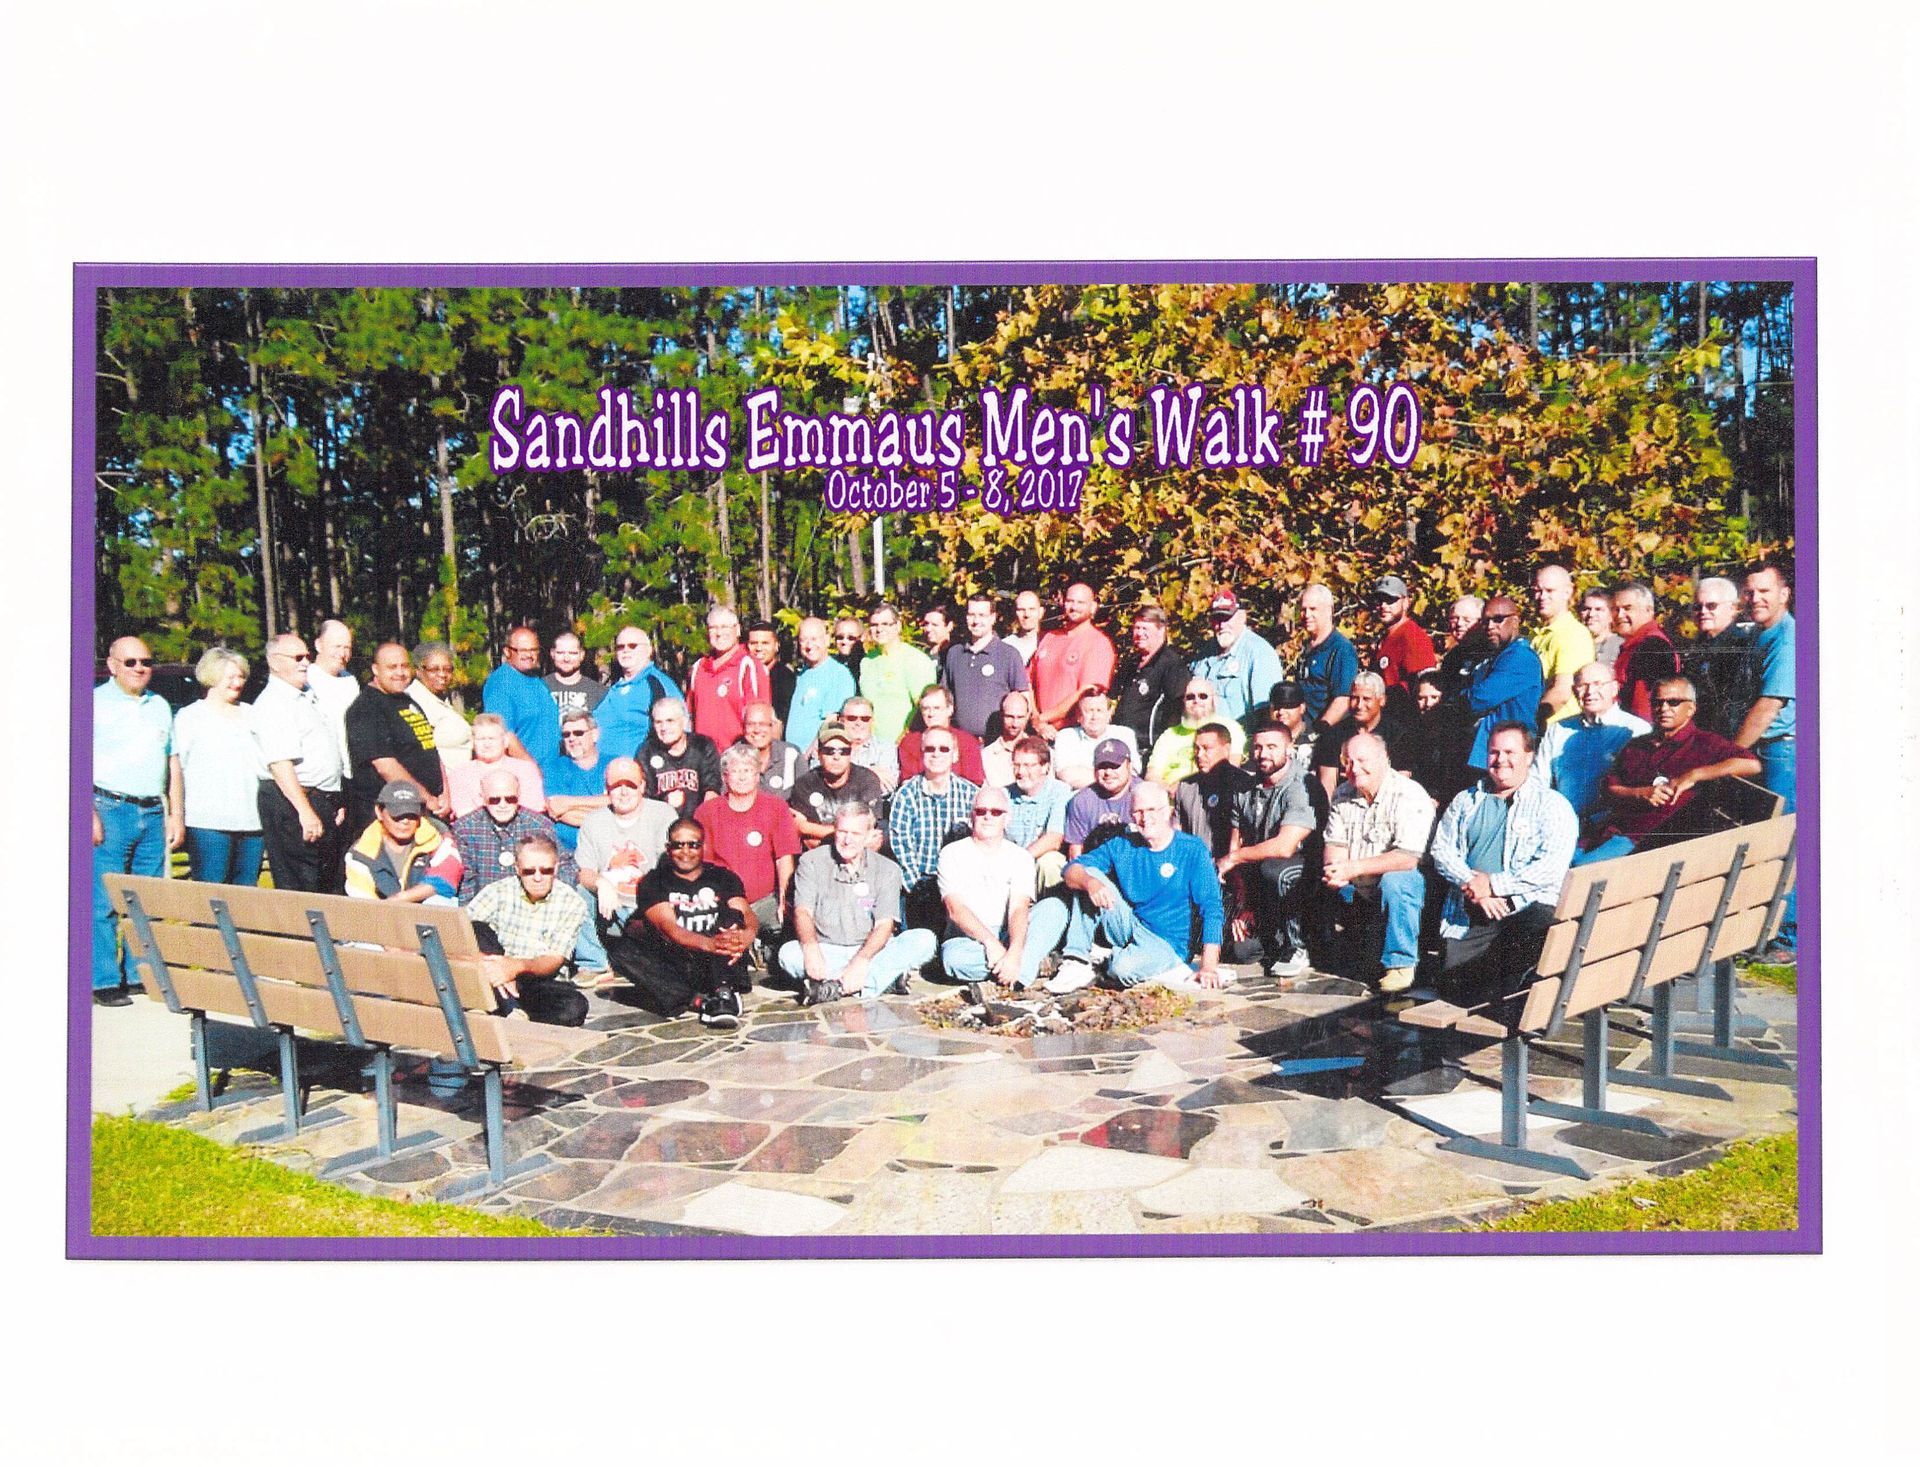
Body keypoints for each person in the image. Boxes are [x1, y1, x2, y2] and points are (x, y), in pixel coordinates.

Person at [1430, 722, 1579, 1008]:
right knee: (1455, 990)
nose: (1501, 760)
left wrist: (1496, 885)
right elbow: (1442, 850)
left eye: (1510, 752)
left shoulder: (1552, 805)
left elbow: (1551, 867)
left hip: (1526, 908)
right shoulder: (1466, 801)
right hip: (1473, 909)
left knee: (1510, 982)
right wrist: (1476, 887)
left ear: (1529, 756)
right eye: (1493, 752)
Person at [1053, 780, 1227, 994]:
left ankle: (1109, 958)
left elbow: (1211, 907)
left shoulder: (1191, 849)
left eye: (1152, 810)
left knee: (1121, 970)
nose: (1145, 818)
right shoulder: (1124, 844)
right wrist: (1090, 883)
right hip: (1131, 925)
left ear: (1168, 812)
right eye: (1138, 812)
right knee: (1088, 873)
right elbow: (1071, 869)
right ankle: (1076, 960)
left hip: (1167, 942)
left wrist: (1208, 966)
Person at [1575, 677, 1763, 864]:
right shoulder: (1637, 745)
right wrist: (1640, 793)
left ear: (1691, 708)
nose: (1664, 708)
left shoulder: (1704, 743)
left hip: (1648, 843)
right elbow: (1610, 788)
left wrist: (1694, 775)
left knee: (1578, 870)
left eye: (1673, 702)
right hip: (1609, 830)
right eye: (1657, 702)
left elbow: (1751, 764)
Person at [451, 766, 608, 980]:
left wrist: (546, 898)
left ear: (519, 796)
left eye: (510, 798)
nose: (504, 805)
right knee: (474, 929)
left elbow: (564, 866)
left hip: (536, 909)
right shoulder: (465, 828)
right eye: (495, 800)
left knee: (575, 900)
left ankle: (591, 964)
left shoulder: (538, 823)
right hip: (490, 913)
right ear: (483, 798)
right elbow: (467, 880)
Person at [91, 634, 182, 1005]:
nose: (140, 668)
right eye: (130, 662)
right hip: (109, 809)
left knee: (144, 901)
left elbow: (172, 763)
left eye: (145, 661)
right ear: (112, 665)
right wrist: (87, 814)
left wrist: (177, 813)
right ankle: (103, 980)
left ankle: (138, 973)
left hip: (153, 811)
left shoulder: (160, 705)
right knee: (103, 901)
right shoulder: (93, 704)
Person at [779, 804, 934, 1005]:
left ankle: (835, 987)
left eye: (855, 833)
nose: (847, 839)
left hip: (872, 950)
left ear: (869, 835)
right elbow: (803, 912)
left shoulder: (888, 869)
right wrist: (810, 948)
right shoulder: (811, 862)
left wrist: (861, 961)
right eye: (842, 831)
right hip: (826, 949)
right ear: (834, 830)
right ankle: (884, 980)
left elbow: (884, 925)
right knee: (788, 955)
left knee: (924, 940)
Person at [608, 819, 756, 1028]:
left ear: (703, 846)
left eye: (693, 844)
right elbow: (668, 928)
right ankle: (700, 1001)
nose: (685, 851)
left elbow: (746, 913)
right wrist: (710, 944)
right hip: (682, 960)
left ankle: (723, 992)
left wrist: (744, 938)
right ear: (668, 848)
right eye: (678, 845)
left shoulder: (723, 877)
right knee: (621, 949)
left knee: (731, 917)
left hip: (723, 960)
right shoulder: (653, 881)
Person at [1320, 731, 1433, 993]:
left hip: (1403, 884)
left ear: (1385, 759)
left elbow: (1407, 858)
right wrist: (1336, 870)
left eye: (1362, 760)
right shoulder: (1342, 793)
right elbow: (1335, 844)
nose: (1354, 768)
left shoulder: (1409, 795)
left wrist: (1352, 868)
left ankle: (1401, 963)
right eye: (1348, 762)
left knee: (1398, 881)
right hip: (1359, 886)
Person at [939, 785, 1072, 991]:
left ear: (1007, 818)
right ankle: (1027, 968)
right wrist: (990, 943)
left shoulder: (1021, 857)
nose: (987, 817)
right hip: (969, 939)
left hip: (1009, 932)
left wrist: (1015, 951)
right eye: (981, 811)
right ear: (971, 816)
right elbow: (955, 910)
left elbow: (1019, 908)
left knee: (1055, 908)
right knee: (954, 961)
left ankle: (1016, 968)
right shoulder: (951, 853)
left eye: (996, 812)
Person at [252, 632, 350, 896]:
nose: (306, 662)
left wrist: (334, 800)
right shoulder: (274, 703)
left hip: (320, 800)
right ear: (274, 662)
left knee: (326, 880)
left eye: (307, 656)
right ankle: (305, 938)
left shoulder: (306, 696)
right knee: (302, 885)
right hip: (293, 803)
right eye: (297, 657)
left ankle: (327, 937)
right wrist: (305, 812)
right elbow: (280, 764)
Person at [1732, 561, 1797, 954]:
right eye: (1750, 591)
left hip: (1781, 751)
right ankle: (1766, 931)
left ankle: (1789, 939)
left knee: (1785, 844)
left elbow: (1768, 705)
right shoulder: (1761, 635)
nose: (1755, 598)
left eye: (1765, 591)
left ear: (1784, 593)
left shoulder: (1786, 639)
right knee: (1765, 845)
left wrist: (1732, 755)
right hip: (1765, 752)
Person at [463, 831, 591, 1026]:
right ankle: (510, 1007)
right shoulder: (498, 891)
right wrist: (491, 965)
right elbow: (460, 931)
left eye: (545, 870)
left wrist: (515, 967)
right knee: (476, 928)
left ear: (556, 869)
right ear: (517, 869)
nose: (537, 878)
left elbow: (554, 959)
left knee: (574, 1007)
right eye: (529, 871)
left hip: (534, 976)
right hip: (493, 966)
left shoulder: (571, 902)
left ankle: (501, 1005)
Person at [1220, 722, 1316, 977]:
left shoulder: (1301, 786)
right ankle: (1273, 939)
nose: (1263, 754)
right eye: (1258, 747)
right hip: (1261, 876)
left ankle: (1299, 946)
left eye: (1272, 747)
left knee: (1275, 869)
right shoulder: (1245, 789)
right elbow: (1235, 845)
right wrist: (1243, 903)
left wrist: (1234, 857)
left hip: (1304, 874)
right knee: (1242, 952)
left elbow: (1285, 846)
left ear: (1289, 748)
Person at [171, 646, 265, 886]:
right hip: (208, 825)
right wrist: (177, 815)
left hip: (252, 823)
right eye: (230, 676)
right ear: (211, 676)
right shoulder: (189, 717)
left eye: (241, 676)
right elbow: (177, 771)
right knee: (212, 898)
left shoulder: (254, 714)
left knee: (246, 898)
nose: (237, 682)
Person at [696, 744, 803, 948]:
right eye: (735, 771)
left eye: (747, 771)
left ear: (757, 775)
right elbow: (704, 867)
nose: (742, 777)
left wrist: (783, 902)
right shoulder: (707, 812)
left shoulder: (777, 807)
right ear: (725, 776)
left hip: (766, 901)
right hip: (725, 903)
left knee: (782, 941)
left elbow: (784, 859)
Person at [344, 641, 447, 831]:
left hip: (426, 807)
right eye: (392, 667)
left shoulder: (406, 700)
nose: (400, 673)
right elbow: (386, 766)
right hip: (393, 814)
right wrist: (427, 799)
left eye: (404, 666)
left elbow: (429, 747)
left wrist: (444, 794)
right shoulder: (366, 708)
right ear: (375, 669)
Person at [887, 728, 981, 929]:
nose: (936, 754)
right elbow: (901, 844)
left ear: (955, 755)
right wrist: (916, 887)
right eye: (930, 749)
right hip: (920, 882)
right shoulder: (906, 795)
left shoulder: (971, 795)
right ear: (922, 754)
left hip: (961, 883)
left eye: (943, 749)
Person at [1536, 662, 1650, 824]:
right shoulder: (1558, 730)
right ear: (1575, 692)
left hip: (1611, 826)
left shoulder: (1635, 730)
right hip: (1561, 824)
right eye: (1583, 686)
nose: (1590, 692)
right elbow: (1538, 779)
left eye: (1598, 684)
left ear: (1614, 688)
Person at [575, 757, 676, 930]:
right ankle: (595, 958)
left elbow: (671, 866)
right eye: (616, 786)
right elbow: (585, 872)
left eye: (630, 785)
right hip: (610, 904)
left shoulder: (663, 814)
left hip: (652, 903)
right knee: (580, 894)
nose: (624, 792)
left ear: (642, 786)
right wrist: (601, 883)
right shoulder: (593, 821)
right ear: (606, 790)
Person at [344, 781, 464, 903]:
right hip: (380, 916)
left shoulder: (439, 839)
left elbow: (447, 878)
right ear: (379, 812)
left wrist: (401, 899)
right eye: (397, 815)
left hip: (424, 914)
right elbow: (361, 901)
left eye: (412, 815)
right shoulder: (360, 853)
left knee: (440, 901)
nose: (405, 821)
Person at [1463, 596, 1544, 769]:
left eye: (1498, 619)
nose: (1490, 626)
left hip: (1508, 755)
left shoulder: (1520, 657)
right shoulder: (1497, 656)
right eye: (1485, 621)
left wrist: (1455, 698)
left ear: (1515, 621)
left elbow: (1477, 699)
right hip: (1487, 750)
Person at [1029, 581, 1116, 737]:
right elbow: (1028, 682)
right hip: (1038, 731)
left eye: (1080, 602)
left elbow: (1086, 695)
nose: (1074, 607)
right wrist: (1035, 719)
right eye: (1070, 601)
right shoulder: (1050, 637)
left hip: (1072, 735)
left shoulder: (1098, 644)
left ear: (1093, 607)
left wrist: (1042, 719)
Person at [941, 592, 1032, 740]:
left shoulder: (1009, 655)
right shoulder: (954, 653)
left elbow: (1023, 701)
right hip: (960, 743)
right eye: (971, 615)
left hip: (996, 743)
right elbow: (945, 699)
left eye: (982, 615)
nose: (976, 621)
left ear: (993, 618)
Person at [1311, 671, 1409, 805]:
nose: (1359, 705)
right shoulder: (1334, 735)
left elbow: (1401, 783)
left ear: (1382, 700)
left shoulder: (1398, 735)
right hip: (1343, 803)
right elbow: (1327, 787)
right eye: (1354, 698)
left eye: (1366, 699)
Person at [788, 719, 889, 849]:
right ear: (818, 753)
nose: (836, 757)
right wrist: (855, 838)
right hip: (819, 860)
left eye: (843, 751)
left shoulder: (867, 780)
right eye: (829, 751)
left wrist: (809, 828)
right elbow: (809, 842)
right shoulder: (805, 784)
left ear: (851, 753)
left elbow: (869, 834)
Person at [1192, 585, 1283, 725]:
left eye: (1227, 618)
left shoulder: (1260, 653)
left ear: (1242, 617)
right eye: (1217, 619)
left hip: (1241, 742)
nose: (1221, 625)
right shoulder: (1204, 653)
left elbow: (1266, 713)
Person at [857, 602, 939, 746]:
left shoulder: (915, 660)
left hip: (902, 745)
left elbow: (923, 709)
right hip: (870, 746)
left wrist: (904, 742)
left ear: (898, 626)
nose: (879, 629)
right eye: (874, 625)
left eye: (885, 624)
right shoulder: (867, 661)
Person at [596, 626, 683, 760]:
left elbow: (679, 732)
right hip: (603, 773)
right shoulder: (615, 688)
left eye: (632, 646)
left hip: (637, 773)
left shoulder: (657, 685)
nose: (626, 650)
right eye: (620, 647)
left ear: (649, 650)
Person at [1686, 576, 1757, 738]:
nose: (1703, 612)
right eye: (1698, 607)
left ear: (1733, 608)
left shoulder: (1741, 647)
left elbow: (1734, 706)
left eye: (1711, 606)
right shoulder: (1698, 647)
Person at [1113, 603, 1190, 752]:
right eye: (1137, 628)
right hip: (1123, 745)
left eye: (1145, 628)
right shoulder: (1131, 663)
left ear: (1161, 631)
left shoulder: (1172, 665)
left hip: (1148, 748)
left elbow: (1176, 710)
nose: (1139, 633)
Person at [481, 625, 562, 767]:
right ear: (507, 651)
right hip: (524, 776)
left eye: (534, 650)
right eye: (522, 650)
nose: (529, 655)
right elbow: (505, 736)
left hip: (551, 773)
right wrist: (532, 772)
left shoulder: (535, 679)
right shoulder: (502, 683)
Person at [1172, 723, 1256, 857]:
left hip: (1230, 867)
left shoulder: (1243, 785)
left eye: (1206, 748)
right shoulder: (1186, 786)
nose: (1199, 755)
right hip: (1193, 863)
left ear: (1226, 749)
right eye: (1196, 748)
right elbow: (1177, 830)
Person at [1528, 563, 1597, 725]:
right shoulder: (1536, 635)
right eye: (1538, 591)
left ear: (1567, 592)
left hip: (1557, 730)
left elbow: (1562, 692)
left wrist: (1527, 723)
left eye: (1550, 591)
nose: (1542, 597)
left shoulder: (1572, 634)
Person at [688, 604, 764, 750]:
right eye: (713, 628)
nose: (719, 633)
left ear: (737, 630)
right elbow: (689, 715)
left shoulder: (748, 666)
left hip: (738, 759)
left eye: (724, 627)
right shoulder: (699, 668)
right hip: (704, 760)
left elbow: (761, 719)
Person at [444, 711, 546, 820]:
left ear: (505, 741)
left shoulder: (526, 770)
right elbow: (463, 813)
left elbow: (534, 809)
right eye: (481, 739)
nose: (487, 744)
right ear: (473, 742)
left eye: (492, 739)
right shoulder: (460, 774)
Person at [1146, 677, 1246, 785]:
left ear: (1214, 700)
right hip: (1168, 796)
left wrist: (1188, 790)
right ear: (1183, 701)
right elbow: (1152, 775)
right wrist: (1173, 791)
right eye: (1190, 697)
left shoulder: (1230, 728)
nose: (1196, 701)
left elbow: (1232, 767)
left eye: (1203, 696)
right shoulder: (1169, 735)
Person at [1006, 735, 1072, 892]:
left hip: (1038, 866)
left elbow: (1054, 839)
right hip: (1008, 868)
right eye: (1017, 765)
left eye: (1028, 766)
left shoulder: (1059, 791)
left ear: (1045, 767)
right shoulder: (1004, 795)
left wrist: (1019, 860)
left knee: (1050, 862)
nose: (1021, 772)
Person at [542, 709, 614, 852]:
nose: (572, 738)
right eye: (566, 734)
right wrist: (606, 808)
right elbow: (557, 809)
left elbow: (621, 802)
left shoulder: (614, 764)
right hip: (566, 850)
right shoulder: (552, 767)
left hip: (609, 848)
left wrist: (569, 802)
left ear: (594, 734)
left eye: (579, 733)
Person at [787, 616, 859, 757]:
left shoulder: (838, 674)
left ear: (827, 640)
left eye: (814, 639)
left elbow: (831, 723)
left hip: (814, 758)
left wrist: (807, 757)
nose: (809, 645)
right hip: (793, 756)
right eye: (803, 640)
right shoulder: (803, 673)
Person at [1611, 581, 1682, 722]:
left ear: (1649, 610)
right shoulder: (1635, 644)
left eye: (1627, 608)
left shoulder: (1651, 646)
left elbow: (1644, 706)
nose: (1620, 615)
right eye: (1615, 609)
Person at [1366, 575, 1438, 712]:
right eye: (1379, 601)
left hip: (1402, 719)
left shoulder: (1413, 636)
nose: (1383, 606)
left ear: (1405, 603)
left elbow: (1423, 686)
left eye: (1390, 600)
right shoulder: (1386, 637)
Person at [638, 697, 721, 814]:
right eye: (658, 722)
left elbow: (712, 789)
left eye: (670, 721)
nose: (664, 728)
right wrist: (665, 803)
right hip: (661, 820)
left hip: (697, 822)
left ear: (684, 721)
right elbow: (645, 797)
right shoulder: (647, 752)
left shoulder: (702, 746)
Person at [1295, 583, 1359, 731]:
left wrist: (1320, 730)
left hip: (1324, 734)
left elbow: (1343, 699)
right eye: (1303, 610)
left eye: (1313, 609)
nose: (1307, 615)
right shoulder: (1306, 647)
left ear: (1329, 610)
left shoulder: (1341, 649)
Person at [1063, 738, 1140, 858]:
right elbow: (1076, 852)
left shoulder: (1145, 795)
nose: (1108, 772)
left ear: (1129, 766)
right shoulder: (1082, 801)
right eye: (1102, 766)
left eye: (1114, 766)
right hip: (1096, 866)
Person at [1051, 688, 1141, 790]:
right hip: (1079, 797)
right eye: (1089, 711)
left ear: (1109, 714)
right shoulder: (1066, 736)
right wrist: (1112, 777)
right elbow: (1066, 775)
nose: (1094, 716)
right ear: (1079, 716)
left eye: (1099, 710)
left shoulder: (1124, 734)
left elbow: (1133, 772)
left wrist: (1083, 772)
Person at [897, 684, 987, 784]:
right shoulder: (909, 743)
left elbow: (974, 783)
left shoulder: (967, 742)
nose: (931, 714)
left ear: (950, 709)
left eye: (936, 708)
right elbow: (908, 782)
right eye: (926, 708)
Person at [408, 640, 472, 766]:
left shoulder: (440, 698)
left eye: (448, 669)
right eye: (434, 669)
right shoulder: (414, 702)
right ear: (418, 671)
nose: (442, 674)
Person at [309, 618, 360, 770]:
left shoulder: (350, 680)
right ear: (318, 645)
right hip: (322, 772)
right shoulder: (307, 681)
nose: (342, 653)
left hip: (351, 769)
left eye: (347, 648)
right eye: (337, 646)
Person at [733, 701, 804, 798]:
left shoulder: (791, 754)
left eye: (763, 724)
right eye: (750, 724)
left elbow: (804, 794)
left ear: (773, 726)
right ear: (743, 727)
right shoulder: (732, 757)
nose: (757, 730)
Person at [837, 696, 899, 791]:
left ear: (872, 721)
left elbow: (886, 788)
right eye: (852, 718)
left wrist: (843, 775)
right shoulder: (828, 748)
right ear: (841, 721)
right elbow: (820, 783)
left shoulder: (886, 749)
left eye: (865, 719)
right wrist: (868, 773)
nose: (858, 723)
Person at [543, 631, 606, 721]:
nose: (566, 659)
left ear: (582, 655)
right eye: (560, 653)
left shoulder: (599, 693)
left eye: (572, 653)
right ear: (552, 654)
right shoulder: (539, 688)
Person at [979, 690, 1036, 788]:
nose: (1015, 724)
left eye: (1020, 717)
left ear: (1028, 716)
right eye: (1009, 717)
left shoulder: (1039, 751)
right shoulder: (986, 756)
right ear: (1001, 716)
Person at [745, 620, 796, 726]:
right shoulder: (744, 674)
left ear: (776, 646)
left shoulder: (785, 678)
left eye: (765, 643)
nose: (759, 648)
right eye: (753, 643)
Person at [1580, 588, 1623, 668]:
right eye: (1586, 609)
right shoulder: (1572, 644)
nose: (1591, 614)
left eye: (1598, 609)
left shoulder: (1621, 647)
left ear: (1611, 615)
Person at [1004, 589, 1045, 666]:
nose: (1027, 615)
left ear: (1041, 612)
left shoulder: (1050, 643)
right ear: (1015, 613)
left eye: (1032, 609)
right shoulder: (1005, 647)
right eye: (1021, 610)